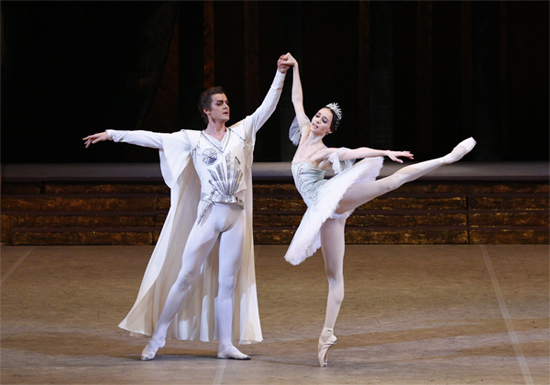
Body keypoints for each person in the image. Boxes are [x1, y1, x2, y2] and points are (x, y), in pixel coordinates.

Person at [83, 55, 290, 361]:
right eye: (219, 103)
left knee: (228, 282)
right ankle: (157, 337)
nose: (225, 106)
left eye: (226, 102)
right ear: (206, 110)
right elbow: (154, 139)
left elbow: (267, 107)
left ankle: (225, 345)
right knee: (185, 275)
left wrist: (280, 73)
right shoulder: (192, 139)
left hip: (234, 217)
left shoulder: (242, 131)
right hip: (209, 216)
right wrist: (113, 134)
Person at [280, 53, 476, 367]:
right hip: (325, 212)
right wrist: (298, 68)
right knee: (333, 277)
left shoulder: (323, 150)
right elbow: (297, 99)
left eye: (324, 121)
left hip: (330, 198)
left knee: (389, 183)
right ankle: (327, 334)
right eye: (318, 116)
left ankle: (446, 159)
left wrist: (384, 151)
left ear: (330, 130)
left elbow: (352, 152)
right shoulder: (304, 132)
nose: (317, 120)